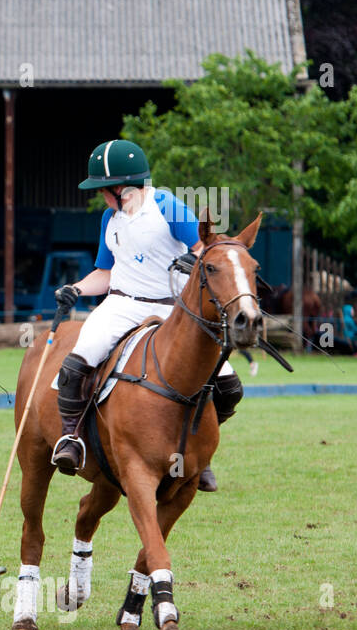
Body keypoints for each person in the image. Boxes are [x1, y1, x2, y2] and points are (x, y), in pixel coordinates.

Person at [49, 140, 240, 491]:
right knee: (76, 363)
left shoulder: (169, 206)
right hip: (122, 305)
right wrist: (76, 288)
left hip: (172, 309)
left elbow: (207, 255)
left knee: (229, 387)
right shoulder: (111, 218)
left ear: (123, 188)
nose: (102, 198)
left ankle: (199, 452)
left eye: (104, 191)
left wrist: (191, 261)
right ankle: (71, 439)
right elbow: (105, 272)